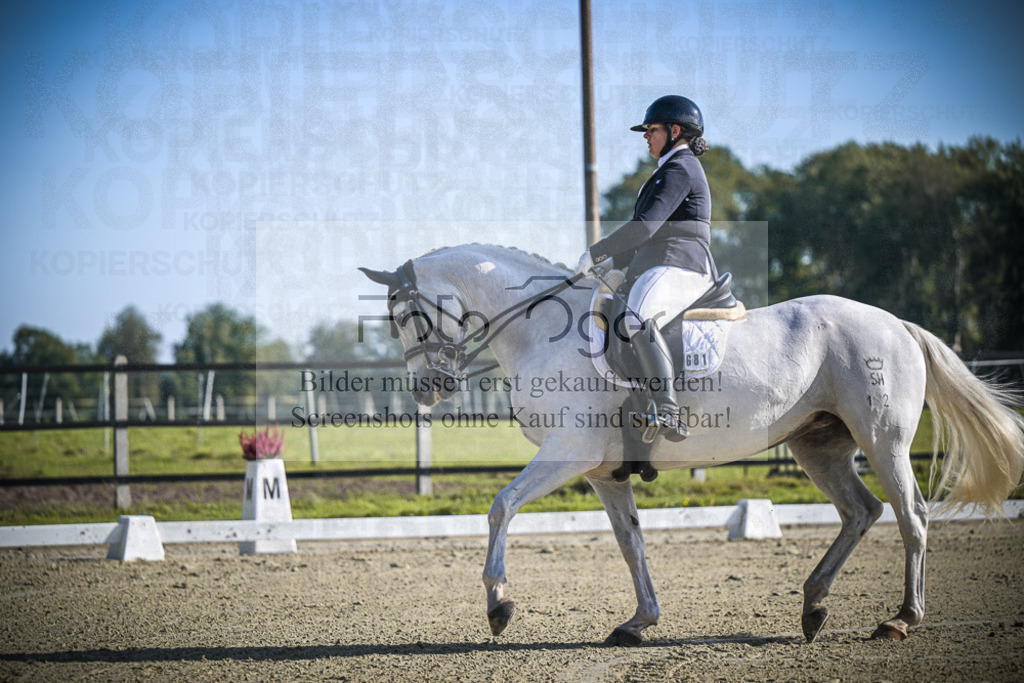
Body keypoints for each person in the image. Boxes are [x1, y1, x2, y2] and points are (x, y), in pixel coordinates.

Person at [576, 95, 716, 441]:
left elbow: (646, 227)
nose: (646, 136)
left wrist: (598, 250)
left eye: (651, 130)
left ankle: (667, 409)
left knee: (635, 316)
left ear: (675, 131)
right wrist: (612, 260)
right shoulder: (666, 171)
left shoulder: (680, 168)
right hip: (658, 261)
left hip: (681, 262)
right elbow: (648, 235)